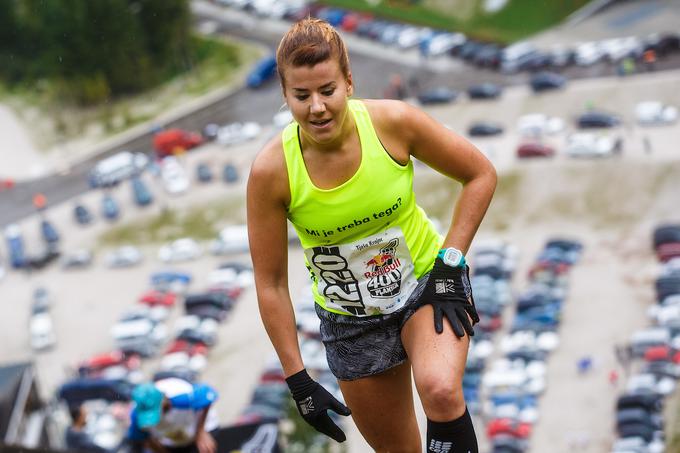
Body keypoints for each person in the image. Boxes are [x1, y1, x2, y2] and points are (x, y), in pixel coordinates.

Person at [247, 18, 496, 453]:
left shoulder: (393, 123)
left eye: (327, 90)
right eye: (301, 96)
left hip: (426, 284)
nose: (317, 107)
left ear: (349, 82)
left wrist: (451, 262)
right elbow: (270, 284)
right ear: (285, 96)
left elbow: (479, 174)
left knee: (440, 389)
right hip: (350, 322)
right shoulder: (272, 172)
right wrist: (297, 378)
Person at [127, 378, 219, 453]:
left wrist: (200, 432)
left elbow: (208, 395)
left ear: (163, 401)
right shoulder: (137, 415)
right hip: (173, 440)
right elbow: (143, 438)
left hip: (199, 426)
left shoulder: (182, 395)